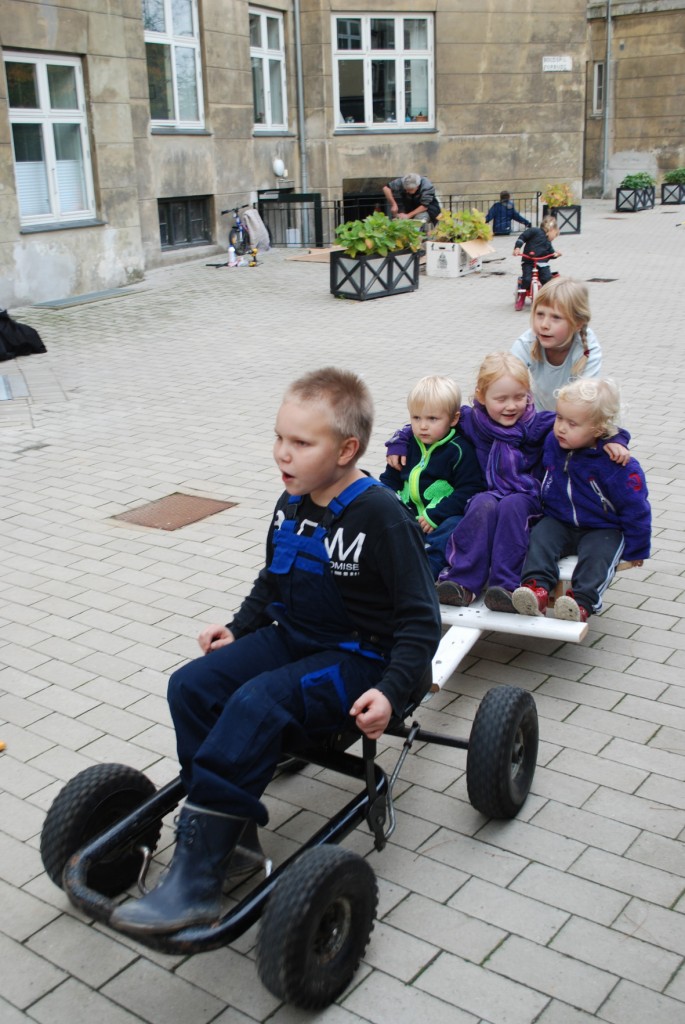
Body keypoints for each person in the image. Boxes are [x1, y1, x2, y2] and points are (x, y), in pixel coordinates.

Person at [111, 367, 442, 936]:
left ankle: (197, 883)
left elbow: (420, 621)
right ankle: (228, 840)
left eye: (300, 443)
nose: (281, 454)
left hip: (362, 661)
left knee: (256, 703)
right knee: (192, 685)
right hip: (294, 637)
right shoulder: (291, 504)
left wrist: (391, 692)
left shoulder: (381, 516)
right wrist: (240, 629)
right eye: (278, 438)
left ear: (346, 449)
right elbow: (273, 578)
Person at [385, 354, 629, 614]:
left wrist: (616, 440)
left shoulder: (539, 423)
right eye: (500, 399)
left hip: (528, 496)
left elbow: (587, 424)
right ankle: (462, 582)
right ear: (481, 396)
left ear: (528, 394)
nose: (511, 406)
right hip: (490, 492)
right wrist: (398, 441)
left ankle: (506, 586)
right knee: (482, 503)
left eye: (519, 397)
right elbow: (429, 418)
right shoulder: (472, 421)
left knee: (512, 505)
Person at [513, 379, 650, 623]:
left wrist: (637, 548)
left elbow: (636, 508)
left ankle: (581, 602)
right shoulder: (553, 442)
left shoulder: (617, 465)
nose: (561, 428)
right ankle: (536, 589)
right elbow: (532, 424)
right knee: (539, 539)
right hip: (559, 519)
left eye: (572, 423)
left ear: (598, 430)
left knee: (599, 557)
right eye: (560, 418)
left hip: (602, 527)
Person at [380, 375, 484, 577]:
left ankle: (428, 570)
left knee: (453, 528)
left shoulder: (459, 450)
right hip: (408, 515)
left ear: (453, 419)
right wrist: (385, 503)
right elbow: (388, 481)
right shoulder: (406, 447)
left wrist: (435, 515)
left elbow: (469, 489)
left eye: (432, 419)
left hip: (441, 517)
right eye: (416, 418)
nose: (423, 426)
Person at [511, 277, 602, 411]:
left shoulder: (587, 349)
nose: (544, 325)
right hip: (542, 417)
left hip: (577, 420)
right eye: (540, 314)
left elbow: (585, 404)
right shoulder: (527, 342)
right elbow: (504, 377)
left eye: (556, 317)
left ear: (577, 323)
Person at [513, 215, 560, 311]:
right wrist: (517, 247)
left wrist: (555, 255)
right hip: (529, 261)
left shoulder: (548, 243)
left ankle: (548, 298)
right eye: (555, 235)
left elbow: (551, 253)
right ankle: (522, 295)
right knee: (526, 279)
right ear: (551, 230)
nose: (553, 238)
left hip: (542, 263)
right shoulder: (534, 231)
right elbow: (523, 237)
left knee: (547, 279)